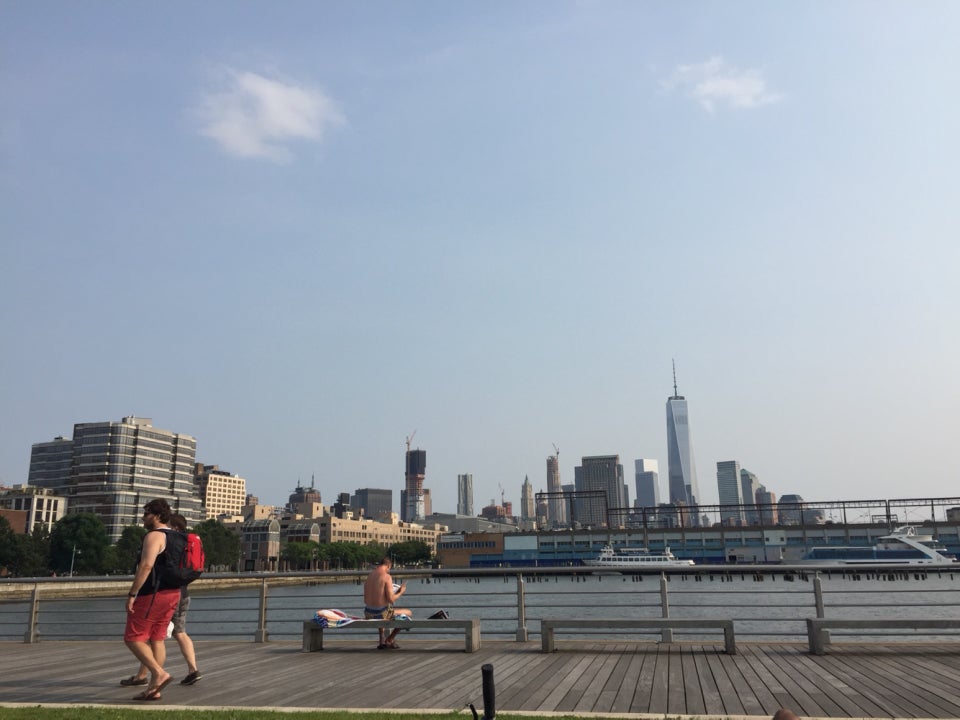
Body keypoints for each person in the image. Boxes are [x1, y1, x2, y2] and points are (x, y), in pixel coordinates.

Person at [120, 514, 202, 688]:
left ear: (175, 527)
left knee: (149, 635)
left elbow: (147, 566)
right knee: (167, 634)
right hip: (181, 592)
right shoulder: (184, 543)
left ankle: (155, 674)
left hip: (163, 592)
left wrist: (133, 594)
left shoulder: (166, 539)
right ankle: (184, 671)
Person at [123, 498, 180, 701]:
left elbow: (146, 566)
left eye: (146, 514)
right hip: (173, 593)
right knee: (157, 638)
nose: (143, 517)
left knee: (133, 637)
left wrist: (132, 594)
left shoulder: (154, 536)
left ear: (156, 516)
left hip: (153, 593)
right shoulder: (177, 536)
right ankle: (154, 688)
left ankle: (159, 673)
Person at [363, 556, 411, 649]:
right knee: (407, 613)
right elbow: (391, 599)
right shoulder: (386, 576)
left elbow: (366, 600)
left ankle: (381, 639)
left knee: (382, 608)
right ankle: (390, 639)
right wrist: (401, 591)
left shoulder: (370, 576)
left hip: (368, 613)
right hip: (380, 614)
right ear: (388, 565)